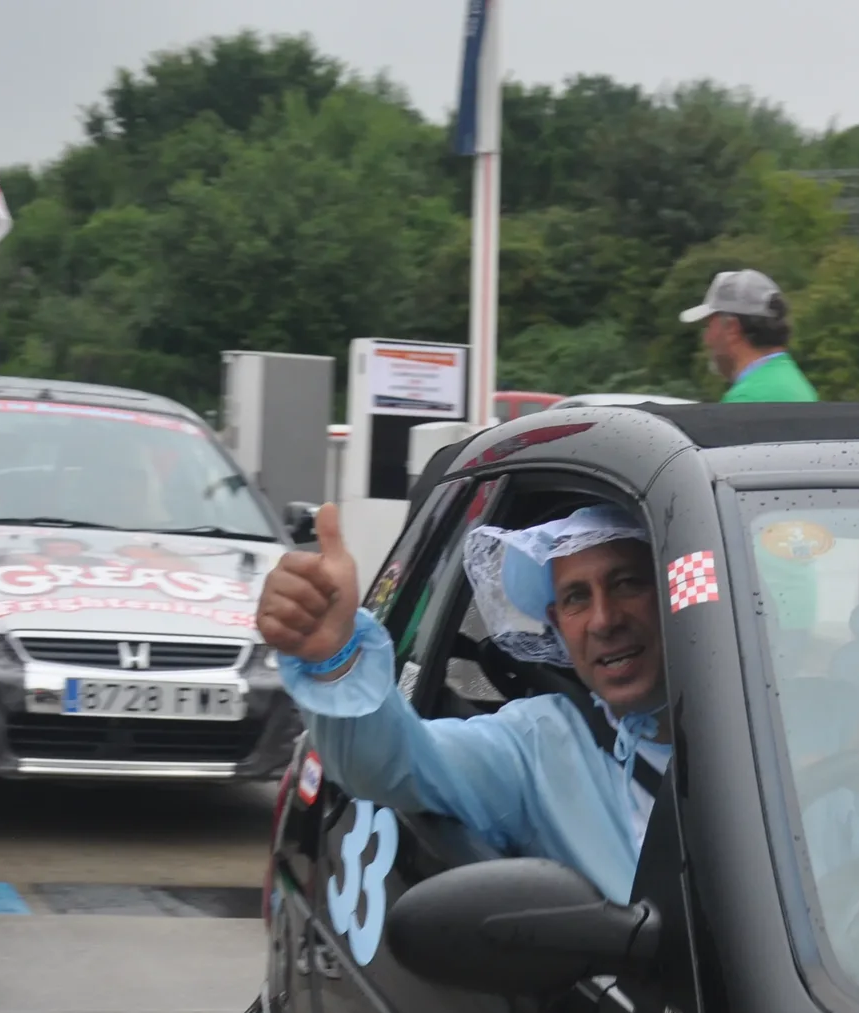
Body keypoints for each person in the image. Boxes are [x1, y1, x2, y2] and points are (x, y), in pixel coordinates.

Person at [259, 501, 674, 903]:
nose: (604, 620)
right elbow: (390, 763)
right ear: (557, 625)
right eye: (576, 598)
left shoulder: (739, 728)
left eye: (627, 584)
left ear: (674, 599)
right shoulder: (539, 745)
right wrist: (335, 658)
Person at [680, 270, 819, 404]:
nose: (707, 339)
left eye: (709, 326)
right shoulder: (790, 380)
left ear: (731, 328)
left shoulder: (750, 398)